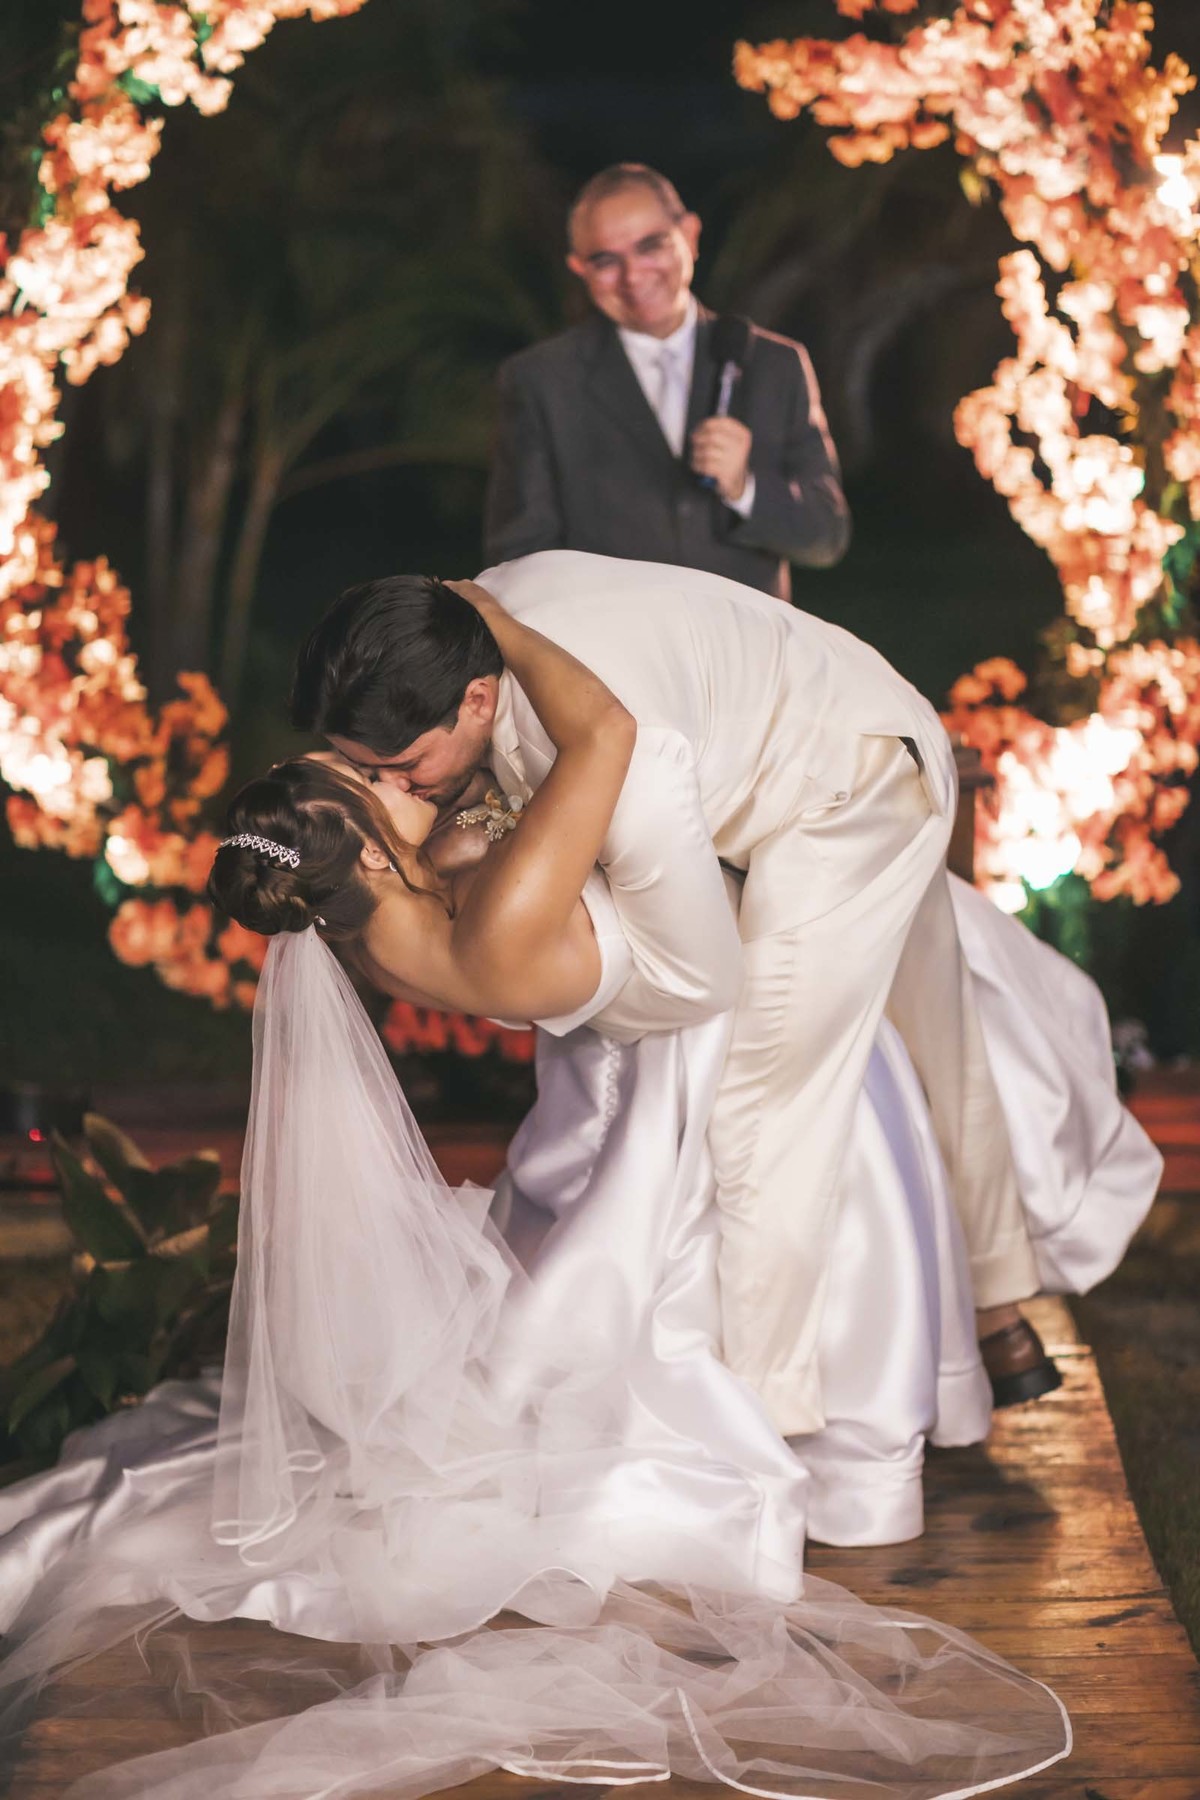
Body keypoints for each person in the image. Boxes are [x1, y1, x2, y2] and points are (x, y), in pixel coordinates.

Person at [0, 583, 1072, 1800]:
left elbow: (441, 808)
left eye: (387, 766)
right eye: (377, 785)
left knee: (900, 991)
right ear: (356, 843)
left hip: (621, 1034)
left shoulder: (369, 908)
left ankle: (928, 1321)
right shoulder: (484, 913)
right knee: (776, 1129)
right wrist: (492, 621)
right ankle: (793, 1432)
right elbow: (616, 745)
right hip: (672, 1019)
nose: (403, 785)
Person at [292, 552, 1059, 1436]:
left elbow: (701, 974)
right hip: (861, 699)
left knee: (768, 1102)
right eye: (367, 771)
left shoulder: (590, 736)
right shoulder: (453, 626)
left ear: (474, 701)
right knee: (940, 1030)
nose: (395, 789)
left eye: (405, 764)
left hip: (845, 793)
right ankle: (1001, 1315)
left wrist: (571, 988)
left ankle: (771, 1422)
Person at [484, 163, 850, 602]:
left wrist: (744, 486)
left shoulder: (775, 364)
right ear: (579, 269)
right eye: (606, 261)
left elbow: (826, 535)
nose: (633, 276)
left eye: (650, 246)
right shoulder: (540, 379)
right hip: (612, 658)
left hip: (750, 653)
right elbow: (519, 560)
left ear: (690, 236)